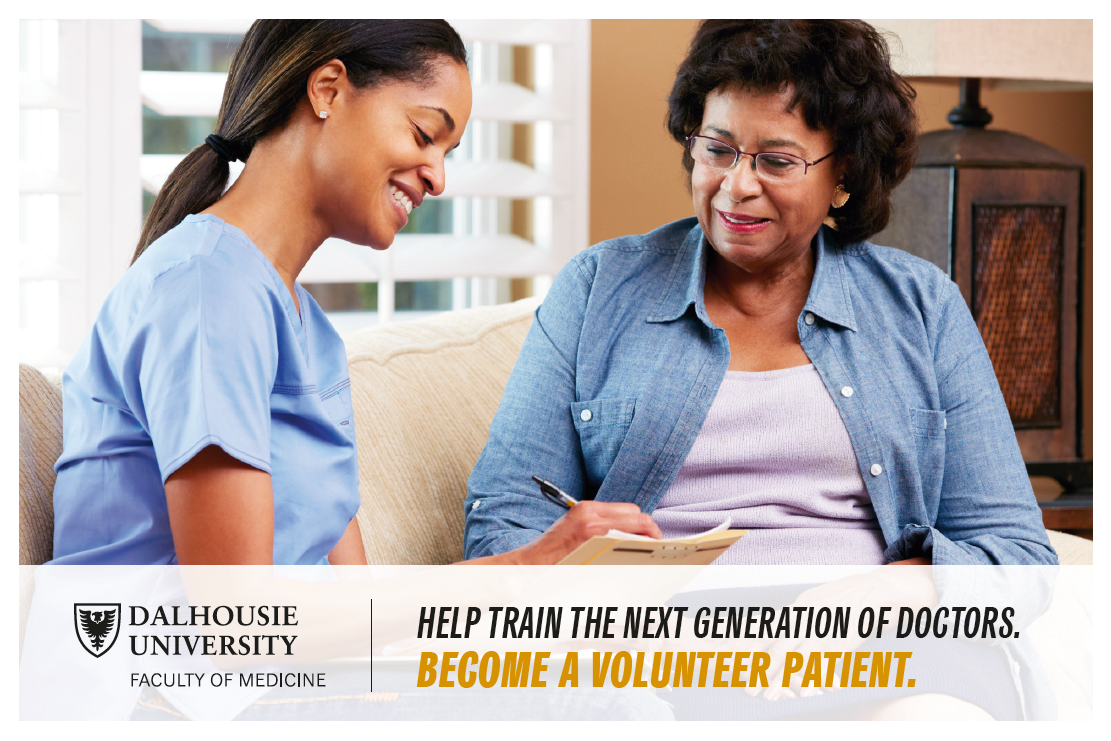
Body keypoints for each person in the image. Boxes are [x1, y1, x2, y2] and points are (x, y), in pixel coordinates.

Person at [463, 20, 1058, 719]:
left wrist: (901, 591)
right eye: (716, 149)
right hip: (660, 646)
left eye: (777, 161)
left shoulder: (921, 306)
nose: (735, 186)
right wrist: (583, 574)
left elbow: (1018, 555)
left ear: (843, 175)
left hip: (882, 635)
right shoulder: (599, 287)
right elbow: (501, 519)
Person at [48, 19, 659, 570]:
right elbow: (235, 624)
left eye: (446, 153)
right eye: (424, 134)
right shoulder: (209, 292)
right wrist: (526, 569)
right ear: (328, 90)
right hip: (168, 689)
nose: (438, 179)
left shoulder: (307, 330)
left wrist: (541, 569)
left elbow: (360, 610)